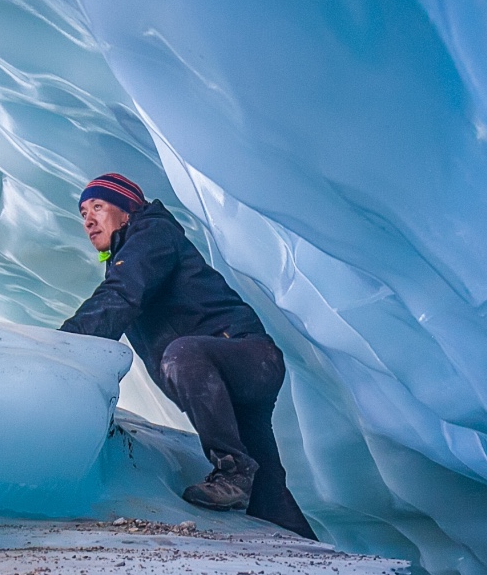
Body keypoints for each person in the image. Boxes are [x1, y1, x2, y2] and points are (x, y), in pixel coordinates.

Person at [59, 173, 316, 539]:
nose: (88, 218)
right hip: (227, 374)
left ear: (128, 209)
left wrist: (63, 346)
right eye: (83, 212)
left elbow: (121, 296)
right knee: (269, 497)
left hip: (247, 357)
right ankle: (343, 572)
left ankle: (231, 470)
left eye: (98, 206)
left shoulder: (152, 234)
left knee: (182, 354)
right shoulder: (129, 252)